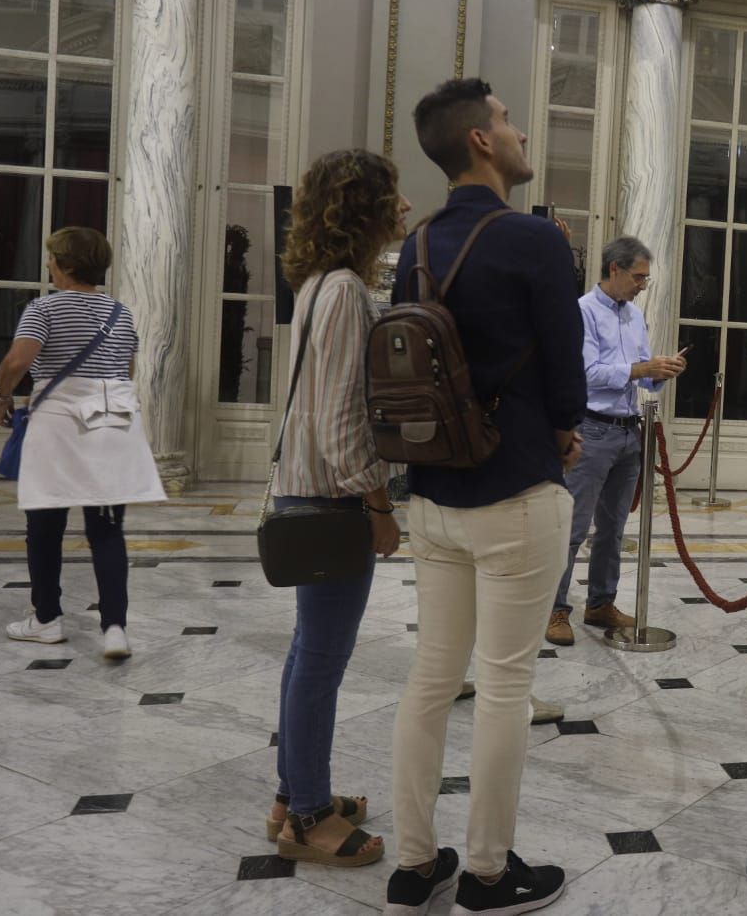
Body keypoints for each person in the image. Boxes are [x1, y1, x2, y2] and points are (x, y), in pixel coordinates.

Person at [385, 78, 585, 916]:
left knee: (432, 680)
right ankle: (490, 874)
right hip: (514, 489)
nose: (519, 130)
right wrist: (567, 427)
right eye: (507, 121)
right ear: (479, 142)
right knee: (505, 686)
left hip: (432, 492)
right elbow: (567, 367)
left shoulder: (419, 243)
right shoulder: (535, 240)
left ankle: (412, 865)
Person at [264, 148, 409, 868]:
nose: (403, 210)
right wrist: (378, 504)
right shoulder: (348, 291)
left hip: (305, 488)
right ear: (366, 210)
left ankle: (295, 793)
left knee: (306, 656)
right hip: (332, 497)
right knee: (320, 662)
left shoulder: (318, 284)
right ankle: (309, 819)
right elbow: (341, 421)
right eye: (394, 198)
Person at [0, 227, 165, 660]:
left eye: (52, 257)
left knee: (45, 529)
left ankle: (47, 620)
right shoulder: (120, 313)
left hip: (59, 426)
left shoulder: (43, 309)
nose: (48, 264)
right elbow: (125, 368)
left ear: (67, 264)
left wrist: (3, 395)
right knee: (107, 529)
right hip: (113, 427)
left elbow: (18, 360)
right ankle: (114, 629)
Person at [546, 236, 684, 647]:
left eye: (645, 278)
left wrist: (659, 372)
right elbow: (586, 372)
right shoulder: (582, 312)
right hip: (592, 430)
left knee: (614, 527)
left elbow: (639, 376)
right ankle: (555, 608)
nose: (643, 284)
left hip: (629, 430)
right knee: (573, 526)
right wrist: (641, 366)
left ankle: (600, 601)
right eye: (638, 277)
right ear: (614, 270)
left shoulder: (634, 316)